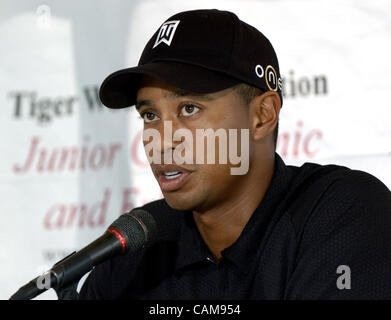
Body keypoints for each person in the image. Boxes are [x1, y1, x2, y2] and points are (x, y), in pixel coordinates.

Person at [79, 9, 391, 299]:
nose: (162, 141)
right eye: (150, 116)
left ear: (262, 116)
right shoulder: (136, 252)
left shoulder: (342, 212)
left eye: (189, 108)